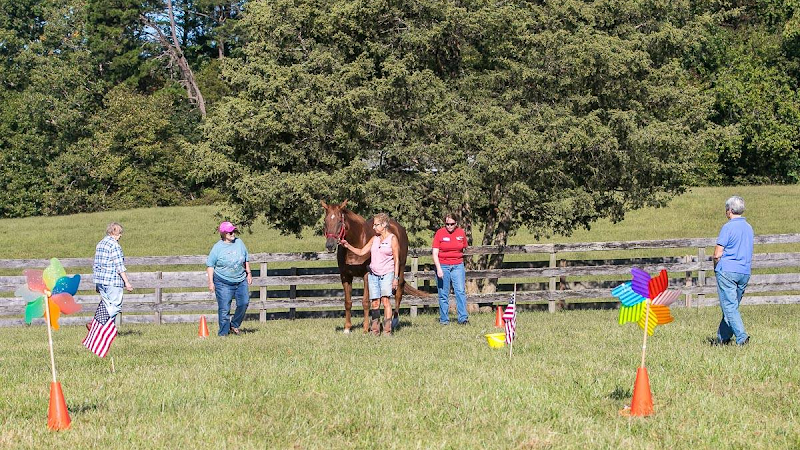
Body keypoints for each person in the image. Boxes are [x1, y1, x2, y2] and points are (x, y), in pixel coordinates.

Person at [340, 213, 399, 335]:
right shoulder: (374, 239)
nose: (373, 228)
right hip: (373, 275)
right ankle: (375, 329)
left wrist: (396, 278)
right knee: (375, 302)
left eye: (376, 225)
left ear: (384, 225)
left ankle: (387, 330)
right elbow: (361, 252)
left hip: (387, 274)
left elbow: (397, 260)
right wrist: (348, 245)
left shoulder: (392, 239)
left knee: (386, 301)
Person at [712, 195, 753, 346]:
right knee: (732, 306)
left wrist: (716, 267)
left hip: (728, 270)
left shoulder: (728, 227)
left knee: (729, 306)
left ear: (729, 211)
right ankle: (723, 338)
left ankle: (742, 337)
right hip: (744, 271)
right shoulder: (749, 227)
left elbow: (717, 253)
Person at [206, 221, 252, 336]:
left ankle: (234, 325)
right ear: (224, 234)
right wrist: (211, 282)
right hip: (223, 282)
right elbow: (210, 265)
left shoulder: (239, 242)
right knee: (224, 308)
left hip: (240, 279)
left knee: (244, 303)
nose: (233, 233)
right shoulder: (217, 248)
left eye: (233, 231)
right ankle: (223, 333)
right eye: (230, 232)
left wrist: (249, 273)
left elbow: (246, 258)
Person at [90, 222, 134, 328]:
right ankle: (95, 323)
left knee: (107, 306)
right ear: (113, 232)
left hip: (100, 280)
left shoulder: (100, 244)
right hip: (112, 280)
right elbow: (119, 266)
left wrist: (97, 284)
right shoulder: (114, 245)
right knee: (116, 306)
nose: (121, 235)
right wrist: (127, 282)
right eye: (119, 233)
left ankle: (107, 331)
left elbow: (96, 264)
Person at [432, 213, 469, 325]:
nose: (449, 226)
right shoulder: (439, 233)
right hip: (443, 265)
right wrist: (439, 269)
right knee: (443, 294)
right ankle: (444, 320)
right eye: (447, 224)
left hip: (457, 265)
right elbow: (435, 252)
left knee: (460, 292)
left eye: (452, 224)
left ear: (456, 223)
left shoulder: (461, 233)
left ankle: (463, 318)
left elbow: (464, 248)